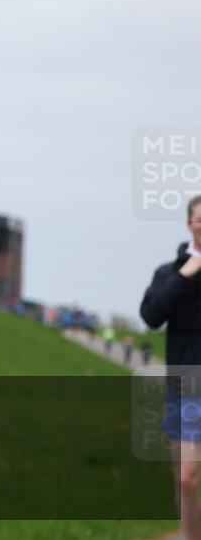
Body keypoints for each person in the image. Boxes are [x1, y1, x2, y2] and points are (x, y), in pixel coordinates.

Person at [141, 195, 201, 540]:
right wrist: (185, 275)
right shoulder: (169, 273)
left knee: (188, 477)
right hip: (184, 387)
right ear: (189, 224)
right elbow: (150, 316)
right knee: (184, 478)